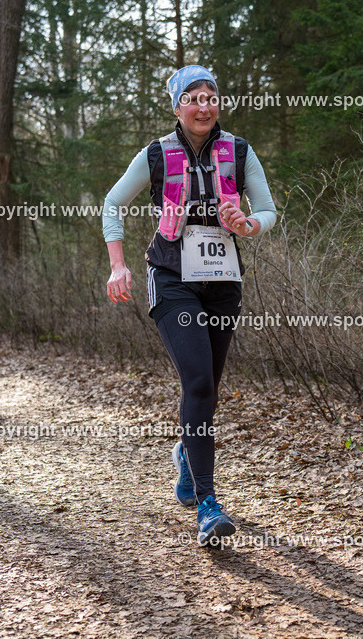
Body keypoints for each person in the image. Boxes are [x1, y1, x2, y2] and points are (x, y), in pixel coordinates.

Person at [103, 65, 278, 546]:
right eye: (193, 99)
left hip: (223, 280)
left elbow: (268, 210)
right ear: (177, 106)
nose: (204, 107)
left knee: (209, 390)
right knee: (197, 381)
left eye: (210, 97)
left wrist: (248, 224)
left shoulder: (239, 152)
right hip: (173, 277)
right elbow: (112, 203)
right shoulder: (157, 154)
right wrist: (118, 265)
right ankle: (207, 505)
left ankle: (186, 452)